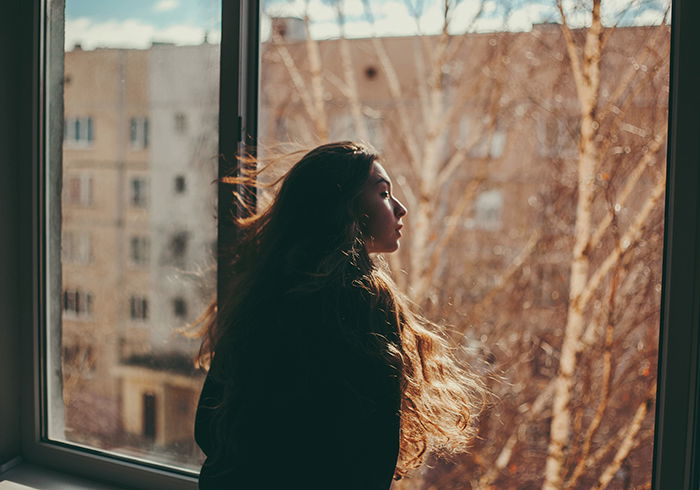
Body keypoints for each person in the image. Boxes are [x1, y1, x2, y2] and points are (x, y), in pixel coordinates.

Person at [193, 141, 484, 489]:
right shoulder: (363, 301)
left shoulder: (264, 290)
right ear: (343, 208)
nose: (401, 208)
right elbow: (373, 457)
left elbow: (208, 427)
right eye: (384, 193)